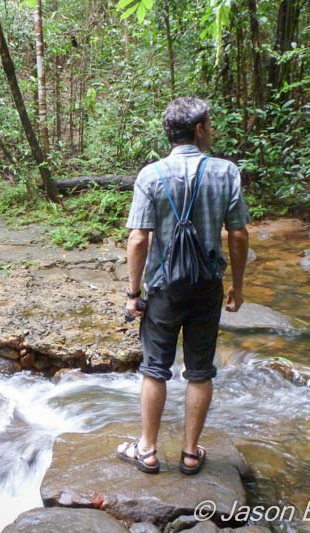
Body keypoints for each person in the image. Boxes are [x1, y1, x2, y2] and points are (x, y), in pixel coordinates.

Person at [116, 97, 250, 475]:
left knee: (154, 368)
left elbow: (139, 239)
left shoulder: (151, 175)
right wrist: (237, 287)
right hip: (206, 285)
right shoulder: (226, 172)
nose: (212, 129)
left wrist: (133, 293)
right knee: (200, 370)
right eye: (209, 123)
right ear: (198, 130)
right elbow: (238, 234)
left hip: (163, 287)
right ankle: (191, 453)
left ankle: (147, 450)